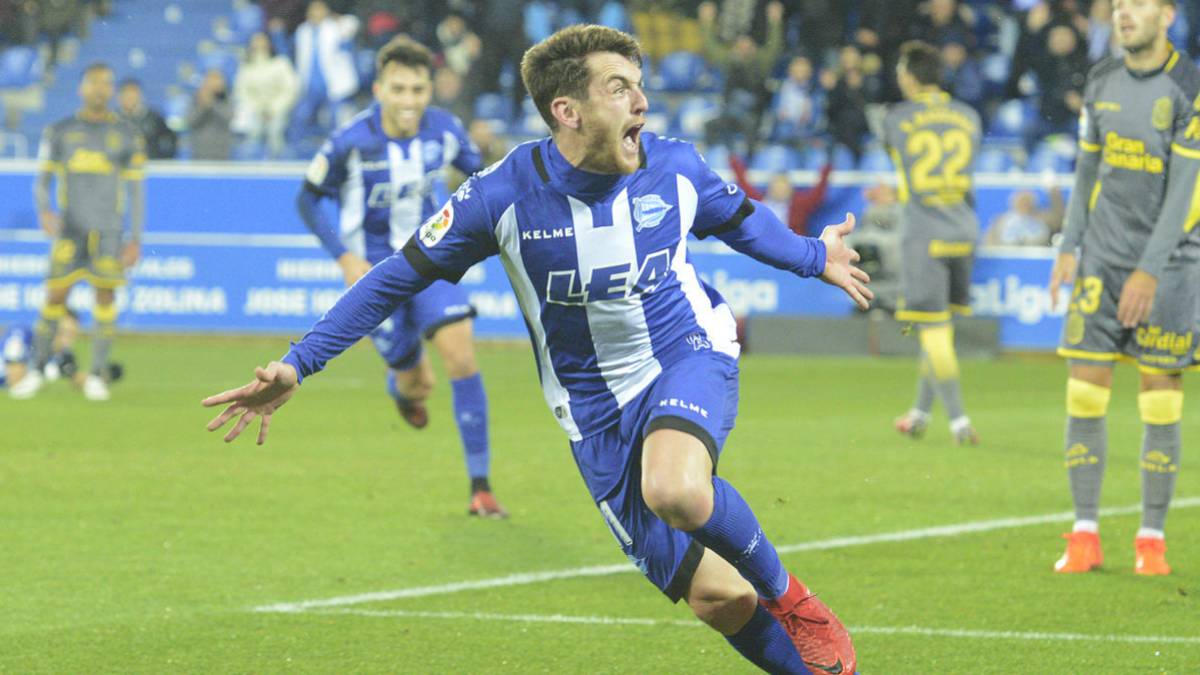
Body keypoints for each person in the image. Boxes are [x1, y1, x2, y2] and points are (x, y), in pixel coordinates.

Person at [204, 25, 870, 674]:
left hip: (686, 351)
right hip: (593, 417)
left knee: (673, 486)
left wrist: (817, 257)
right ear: (567, 110)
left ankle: (796, 602)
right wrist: (299, 360)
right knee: (717, 596)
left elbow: (742, 219)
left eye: (639, 86)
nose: (641, 102)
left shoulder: (673, 165)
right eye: (620, 89)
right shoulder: (502, 196)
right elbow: (393, 278)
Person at [295, 36, 506, 518]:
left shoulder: (444, 130)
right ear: (379, 89)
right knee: (418, 385)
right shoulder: (350, 140)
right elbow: (306, 199)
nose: (409, 100)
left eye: (417, 89)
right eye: (399, 89)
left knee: (461, 356)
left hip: (431, 262)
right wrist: (343, 256)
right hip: (372, 275)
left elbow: (484, 179)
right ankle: (402, 386)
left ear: (429, 90)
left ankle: (481, 486)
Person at [1046, 0, 1200, 577]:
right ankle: (1084, 533)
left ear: (1167, 14)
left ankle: (1151, 540)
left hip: (1172, 266)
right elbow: (1088, 170)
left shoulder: (1190, 87)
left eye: (1137, 4)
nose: (1123, 14)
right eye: (1117, 5)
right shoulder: (1102, 79)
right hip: (1101, 263)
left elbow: (1187, 191)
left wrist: (1150, 269)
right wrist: (1069, 246)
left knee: (1160, 396)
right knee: (1084, 389)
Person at [13, 62, 145, 402]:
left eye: (107, 83)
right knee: (55, 297)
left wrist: (136, 239)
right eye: (95, 83)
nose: (102, 89)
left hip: (108, 232)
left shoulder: (127, 134)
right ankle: (38, 369)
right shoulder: (60, 131)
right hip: (70, 231)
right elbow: (42, 179)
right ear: (82, 88)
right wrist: (44, 210)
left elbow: (136, 191)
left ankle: (97, 375)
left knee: (106, 297)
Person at [881, 41, 981, 445]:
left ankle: (959, 421)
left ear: (909, 75)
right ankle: (920, 414)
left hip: (924, 229)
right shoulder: (968, 116)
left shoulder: (897, 117)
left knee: (934, 329)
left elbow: (899, 160)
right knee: (937, 326)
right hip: (963, 226)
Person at [232, 32, 299, 159]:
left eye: (262, 40)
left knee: (275, 131)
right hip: (254, 110)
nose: (259, 44)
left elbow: (290, 89)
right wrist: (258, 109)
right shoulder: (246, 66)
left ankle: (277, 163)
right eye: (256, 41)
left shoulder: (281, 63)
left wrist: (273, 109)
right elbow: (241, 91)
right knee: (252, 131)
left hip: (278, 109)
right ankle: (249, 164)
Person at [117, 78, 178, 159]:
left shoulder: (154, 117)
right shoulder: (112, 118)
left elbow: (171, 139)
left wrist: (163, 159)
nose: (130, 97)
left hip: (150, 167)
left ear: (140, 95)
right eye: (126, 93)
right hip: (119, 168)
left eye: (134, 92)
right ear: (119, 96)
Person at [187, 68, 234, 161]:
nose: (214, 83)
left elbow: (228, 117)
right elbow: (191, 121)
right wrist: (203, 106)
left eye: (217, 79)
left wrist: (211, 102)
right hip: (200, 152)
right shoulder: (196, 99)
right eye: (211, 79)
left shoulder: (227, 99)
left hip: (222, 153)